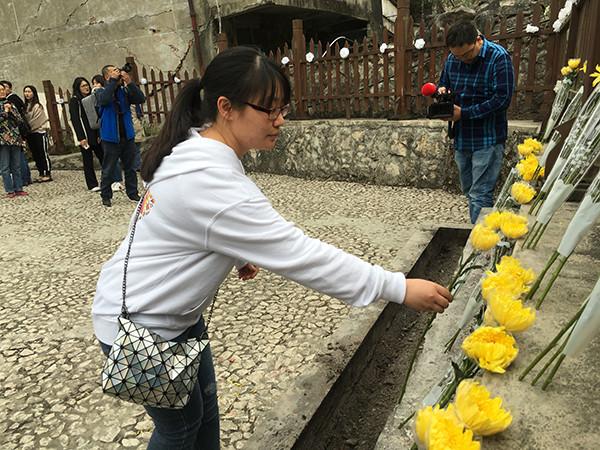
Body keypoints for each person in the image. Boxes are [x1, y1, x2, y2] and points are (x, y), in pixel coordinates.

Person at [91, 46, 452, 450]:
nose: (280, 121)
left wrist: (238, 251)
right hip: (140, 324)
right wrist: (398, 287)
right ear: (226, 107)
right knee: (179, 427)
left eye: (284, 109)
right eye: (270, 110)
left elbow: (199, 227)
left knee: (205, 413)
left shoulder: (198, 150)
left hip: (173, 315)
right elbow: (300, 253)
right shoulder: (209, 178)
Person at [437, 21, 515, 224]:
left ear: (478, 41)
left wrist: (464, 113)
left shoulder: (498, 58)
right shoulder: (453, 58)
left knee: (480, 193)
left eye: (466, 54)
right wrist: (442, 91)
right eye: (457, 56)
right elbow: (444, 82)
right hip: (462, 137)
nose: (462, 60)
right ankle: (480, 234)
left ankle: (479, 246)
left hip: (488, 137)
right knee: (469, 190)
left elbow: (501, 100)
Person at [96, 65, 145, 206]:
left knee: (130, 167)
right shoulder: (100, 92)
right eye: (113, 71)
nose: (117, 72)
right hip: (110, 137)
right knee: (109, 168)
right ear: (107, 76)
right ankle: (106, 195)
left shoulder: (123, 91)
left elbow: (140, 98)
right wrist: (112, 82)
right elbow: (104, 101)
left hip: (127, 136)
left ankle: (132, 193)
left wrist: (129, 82)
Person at [69, 77, 105, 191]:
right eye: (83, 86)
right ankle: (92, 184)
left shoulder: (92, 98)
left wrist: (99, 133)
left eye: (87, 85)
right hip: (85, 134)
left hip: (95, 132)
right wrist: (81, 137)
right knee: (88, 160)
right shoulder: (75, 100)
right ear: (78, 88)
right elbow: (75, 119)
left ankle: (108, 180)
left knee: (103, 157)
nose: (86, 87)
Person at [1, 80, 31, 185]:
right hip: (2, 140)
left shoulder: (11, 103)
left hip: (15, 138)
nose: (2, 92)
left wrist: (11, 111)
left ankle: (20, 186)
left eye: (3, 89)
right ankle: (10, 189)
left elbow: (19, 119)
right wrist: (5, 112)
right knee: (5, 167)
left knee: (17, 165)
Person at [23, 85, 52, 182]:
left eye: (29, 91)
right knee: (35, 154)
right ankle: (41, 172)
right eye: (25, 91)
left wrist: (27, 127)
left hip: (39, 132)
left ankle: (47, 172)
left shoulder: (37, 106)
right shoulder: (25, 106)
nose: (27, 94)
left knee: (42, 152)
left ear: (33, 93)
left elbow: (37, 120)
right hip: (30, 134)